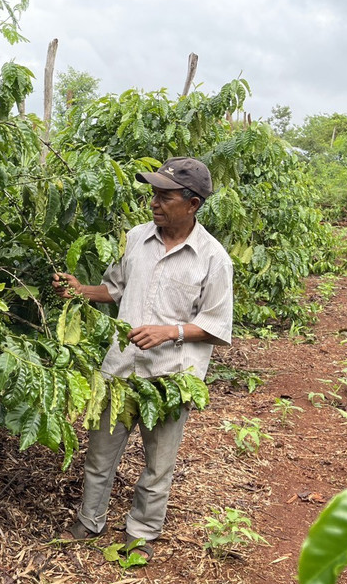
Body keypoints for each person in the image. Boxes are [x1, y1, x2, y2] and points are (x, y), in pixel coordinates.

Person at [52, 156, 233, 562]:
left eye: (164, 196)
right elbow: (113, 290)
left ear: (192, 204)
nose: (153, 202)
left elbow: (218, 327)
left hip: (170, 378)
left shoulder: (213, 258)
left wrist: (170, 331)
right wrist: (79, 290)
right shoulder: (135, 238)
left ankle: (143, 532)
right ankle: (89, 520)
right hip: (119, 370)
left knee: (158, 464)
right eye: (152, 194)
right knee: (99, 454)